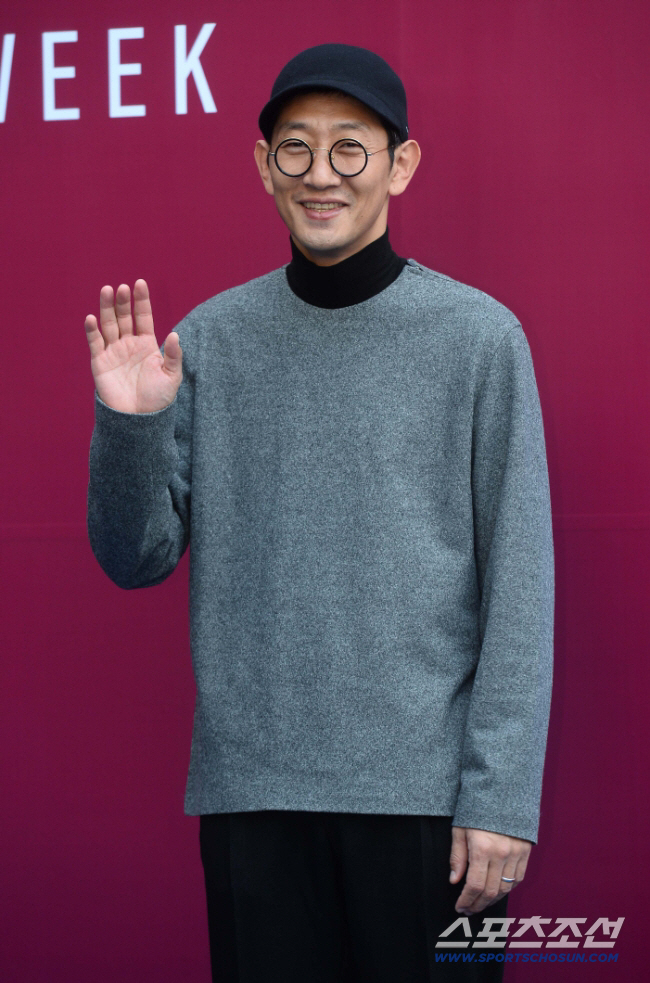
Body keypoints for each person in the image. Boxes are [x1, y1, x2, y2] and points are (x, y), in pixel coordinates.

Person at [84, 43, 554, 983]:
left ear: (400, 165)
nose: (321, 173)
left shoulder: (480, 338)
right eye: (295, 148)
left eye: (350, 147)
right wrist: (131, 426)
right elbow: (135, 558)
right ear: (265, 168)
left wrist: (501, 797)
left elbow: (522, 582)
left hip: (429, 811)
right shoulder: (208, 340)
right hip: (255, 802)